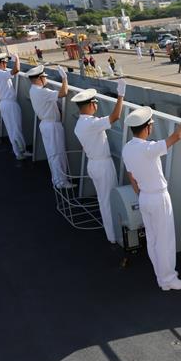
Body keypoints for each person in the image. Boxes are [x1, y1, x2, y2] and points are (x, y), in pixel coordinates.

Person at [122, 103, 181, 291]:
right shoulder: (149, 148)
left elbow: (132, 177)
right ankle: (169, 279)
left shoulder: (127, 149)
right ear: (147, 128)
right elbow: (177, 136)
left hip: (144, 197)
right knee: (165, 239)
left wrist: (142, 194)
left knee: (153, 239)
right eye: (151, 125)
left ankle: (160, 277)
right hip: (158, 198)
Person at [72, 81, 125, 244]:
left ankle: (112, 233)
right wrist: (120, 95)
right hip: (102, 165)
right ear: (90, 105)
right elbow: (115, 117)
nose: (96, 105)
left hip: (93, 164)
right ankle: (113, 237)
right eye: (95, 102)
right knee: (108, 201)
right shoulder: (91, 123)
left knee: (103, 200)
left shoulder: (79, 124)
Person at [27, 65, 73, 188]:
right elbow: (63, 93)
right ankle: (61, 182)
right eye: (44, 77)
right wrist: (64, 78)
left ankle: (57, 179)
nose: (46, 79)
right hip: (52, 125)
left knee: (52, 154)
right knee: (58, 153)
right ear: (39, 78)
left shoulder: (33, 90)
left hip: (45, 124)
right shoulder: (42, 91)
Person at [0, 53, 30, 160]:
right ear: (1, 63)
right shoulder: (1, 74)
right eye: (5, 62)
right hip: (10, 103)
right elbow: (16, 70)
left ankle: (18, 153)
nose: (6, 64)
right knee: (16, 127)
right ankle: (22, 150)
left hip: (2, 103)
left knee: (11, 129)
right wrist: (17, 58)